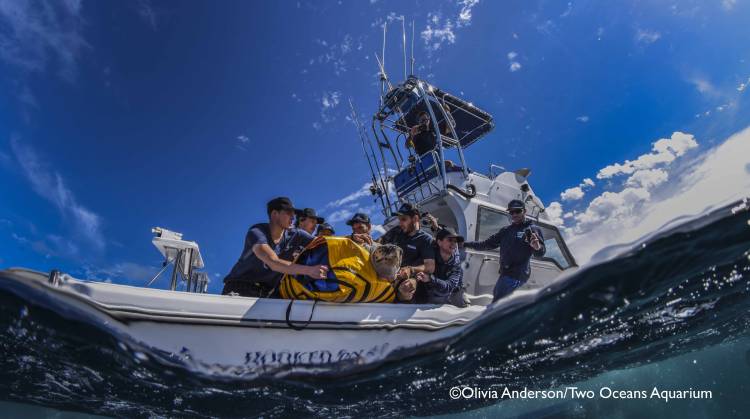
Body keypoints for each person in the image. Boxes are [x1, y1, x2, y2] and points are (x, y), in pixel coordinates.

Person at [222, 197, 328, 298]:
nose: (293, 217)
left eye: (293, 214)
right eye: (288, 213)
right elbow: (273, 262)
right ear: (274, 214)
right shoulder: (257, 232)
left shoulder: (298, 235)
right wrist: (310, 270)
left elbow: (324, 243)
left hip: (267, 293)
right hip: (240, 287)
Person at [462, 199, 545, 302]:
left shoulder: (533, 229)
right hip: (505, 274)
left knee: (497, 304)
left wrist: (537, 247)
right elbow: (486, 244)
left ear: (524, 211)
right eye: (511, 212)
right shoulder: (505, 231)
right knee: (499, 301)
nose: (514, 214)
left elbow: (540, 253)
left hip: (516, 276)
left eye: (517, 211)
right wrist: (465, 244)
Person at [280, 237, 404, 303]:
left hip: (287, 275)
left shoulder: (349, 244)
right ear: (385, 276)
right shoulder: (370, 284)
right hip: (289, 292)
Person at [378, 202, 436, 302]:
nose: (400, 223)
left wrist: (411, 269)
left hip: (409, 282)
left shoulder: (426, 239)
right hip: (388, 276)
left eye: (404, 219)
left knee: (406, 287)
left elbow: (430, 267)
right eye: (399, 219)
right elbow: (380, 241)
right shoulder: (397, 230)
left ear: (415, 219)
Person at [414, 227, 466, 306]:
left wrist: (430, 279)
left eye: (455, 241)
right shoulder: (428, 258)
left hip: (445, 299)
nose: (454, 244)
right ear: (439, 242)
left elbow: (449, 286)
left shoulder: (456, 265)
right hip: (424, 299)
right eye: (450, 240)